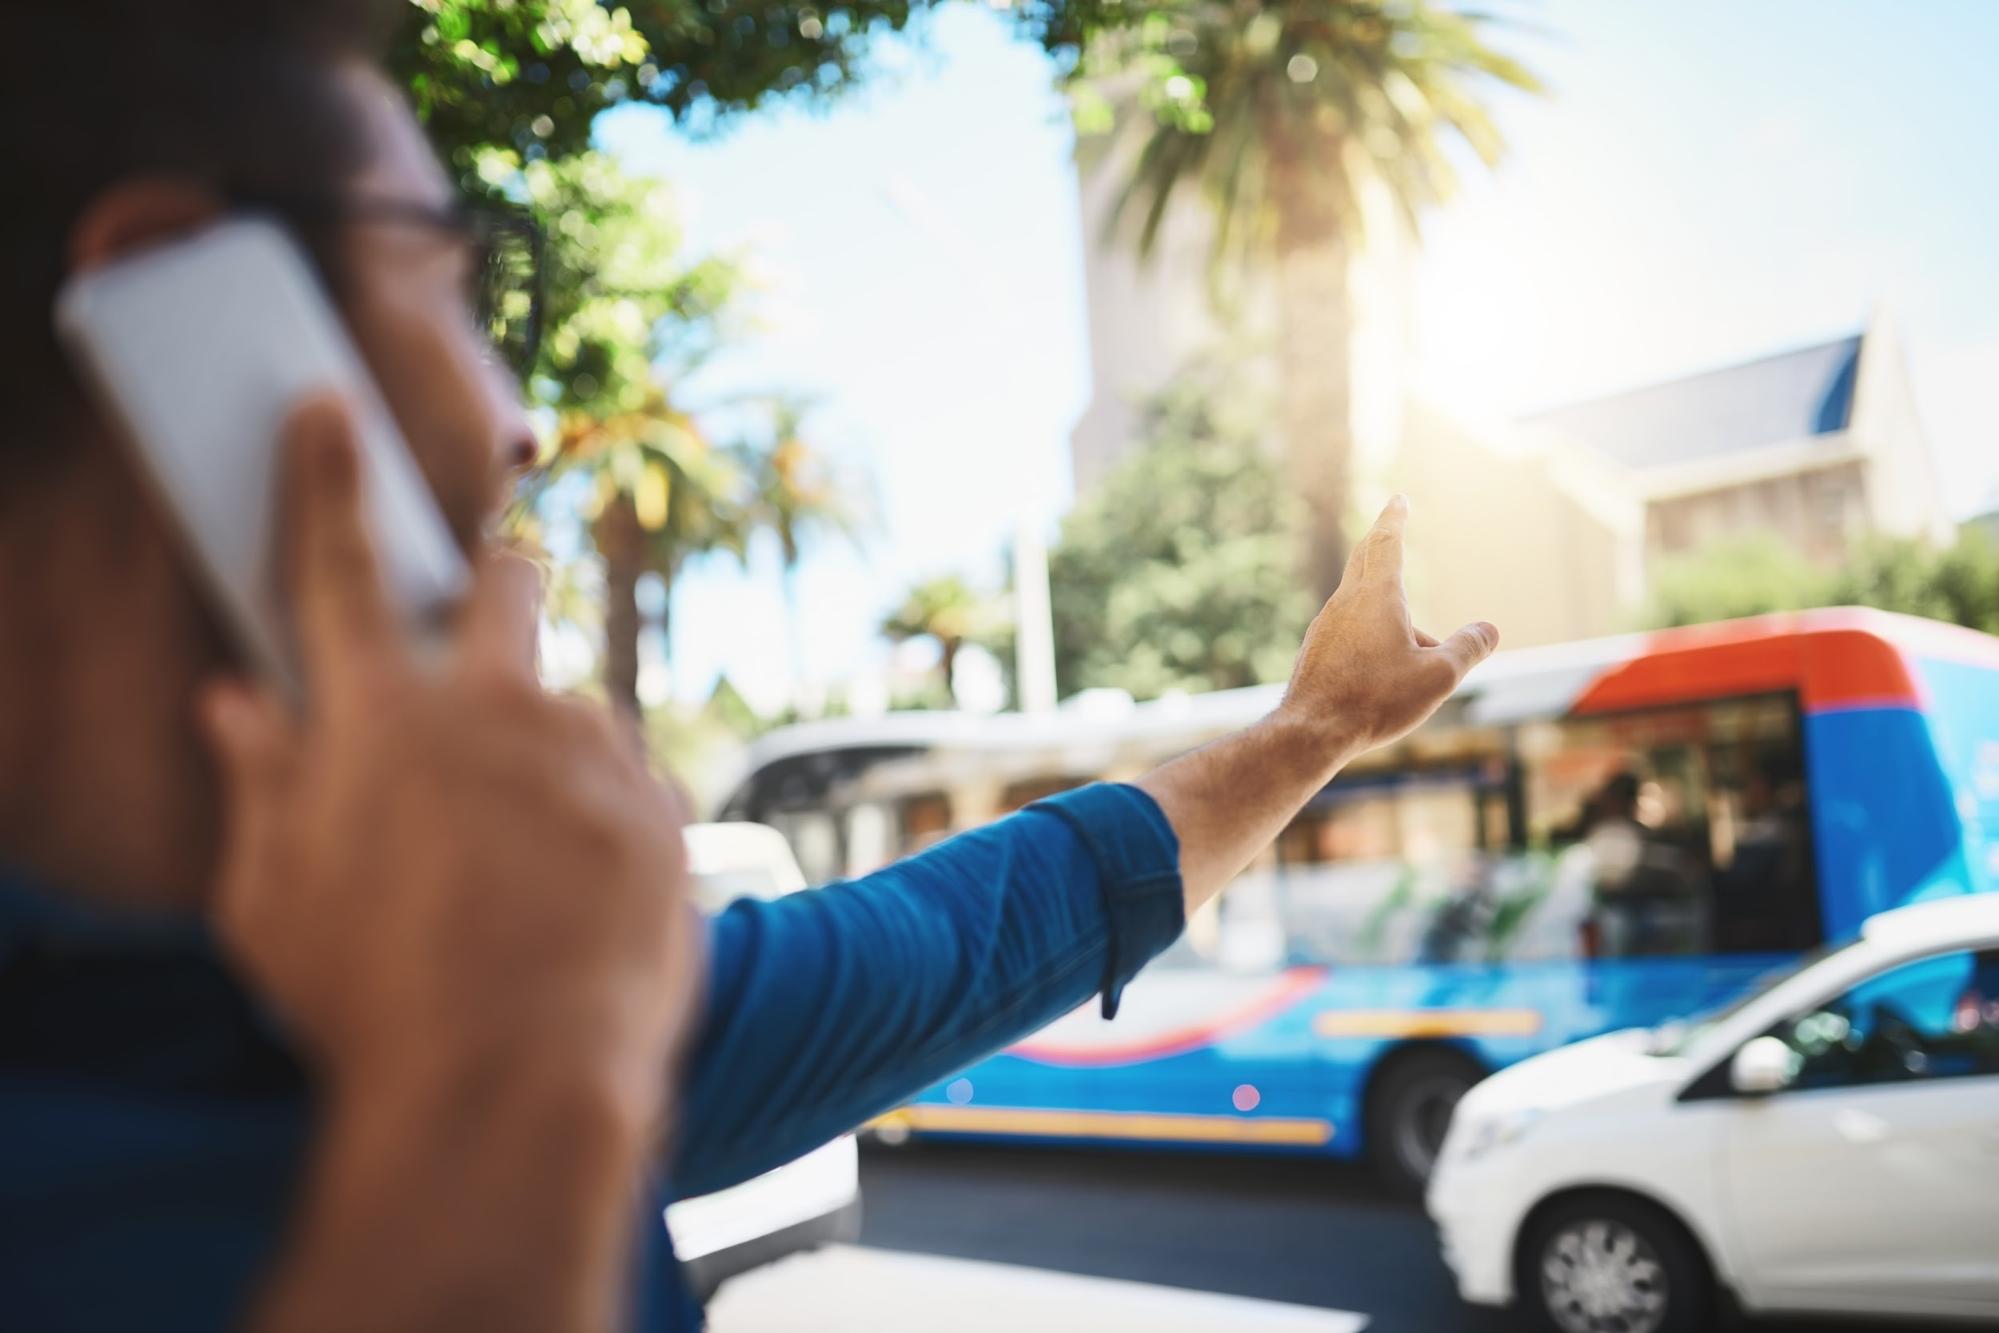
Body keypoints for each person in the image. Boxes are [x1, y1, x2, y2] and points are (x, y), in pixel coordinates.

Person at [0, 3, 1499, 1330]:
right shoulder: (516, 1015)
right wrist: (502, 1089)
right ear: (183, 302)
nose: (521, 422)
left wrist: (1316, 729)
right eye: (468, 281)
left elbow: (975, 926)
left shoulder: (528, 974)